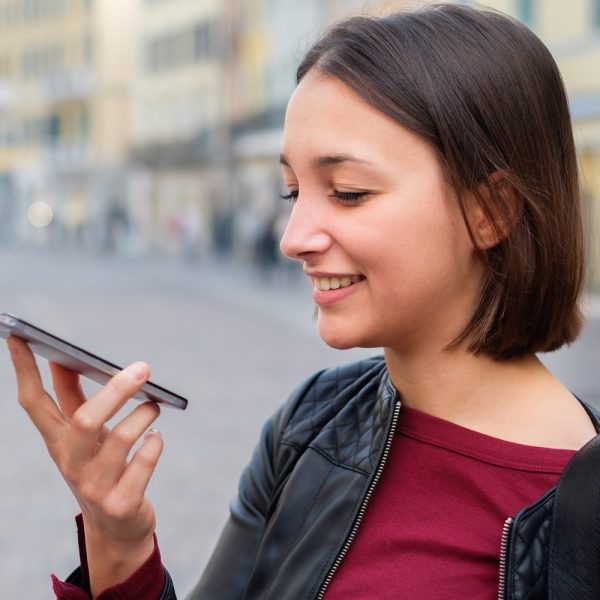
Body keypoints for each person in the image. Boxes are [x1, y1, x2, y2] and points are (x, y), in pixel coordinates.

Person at [7, 4, 600, 599]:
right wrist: (120, 539)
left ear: (490, 210)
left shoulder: (584, 508)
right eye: (293, 191)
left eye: (347, 192)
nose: (293, 239)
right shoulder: (314, 421)